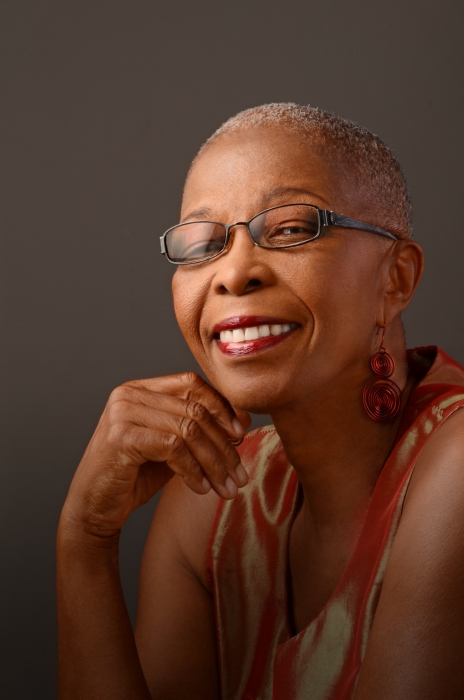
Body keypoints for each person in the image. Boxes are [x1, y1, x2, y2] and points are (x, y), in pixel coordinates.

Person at [56, 103, 464, 700]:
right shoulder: (214, 504)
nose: (233, 273)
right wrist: (85, 539)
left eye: (292, 229)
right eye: (203, 244)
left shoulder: (457, 469)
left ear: (395, 279)